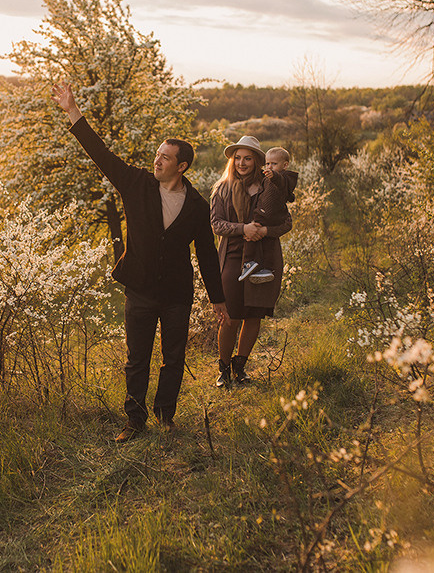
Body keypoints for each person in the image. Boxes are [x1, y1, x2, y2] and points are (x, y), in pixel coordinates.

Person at [51, 82, 228, 442]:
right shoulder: (136, 184)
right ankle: (134, 420)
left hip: (178, 293)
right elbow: (101, 154)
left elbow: (207, 253)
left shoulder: (196, 205)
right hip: (141, 291)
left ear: (181, 166)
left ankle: (166, 416)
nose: (157, 160)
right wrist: (73, 112)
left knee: (174, 358)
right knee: (137, 360)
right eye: (157, 154)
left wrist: (217, 298)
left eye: (165, 157)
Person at [210, 135, 292, 387]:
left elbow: (286, 223)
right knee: (231, 316)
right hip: (234, 256)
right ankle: (223, 368)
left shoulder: (270, 188)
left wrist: (265, 232)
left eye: (247, 158)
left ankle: (240, 366)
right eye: (237, 158)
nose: (241, 163)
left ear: (257, 161)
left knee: (254, 315)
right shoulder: (222, 188)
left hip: (264, 256)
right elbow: (216, 224)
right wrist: (243, 228)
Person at [239, 146, 298, 284]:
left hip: (265, 213)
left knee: (250, 233)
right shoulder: (269, 176)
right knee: (268, 242)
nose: (270, 167)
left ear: (285, 165)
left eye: (274, 164)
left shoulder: (282, 176)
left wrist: (274, 175)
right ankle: (267, 268)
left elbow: (280, 181)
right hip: (273, 215)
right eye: (267, 163)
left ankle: (248, 262)